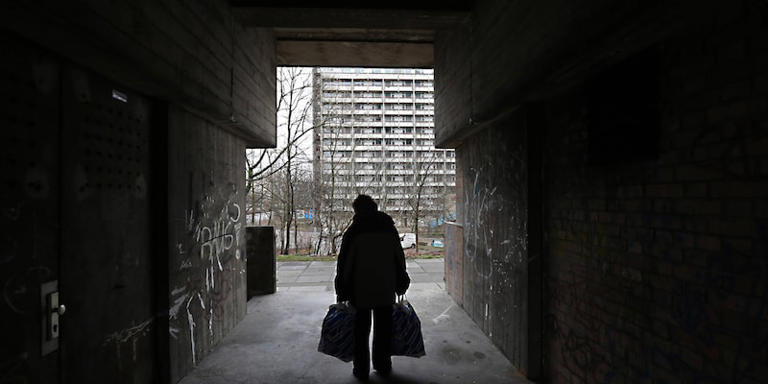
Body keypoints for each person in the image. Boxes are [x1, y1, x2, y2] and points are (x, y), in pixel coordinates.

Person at [335, 194, 410, 380]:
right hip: (385, 289)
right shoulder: (389, 229)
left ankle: (361, 370)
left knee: (360, 332)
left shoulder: (353, 232)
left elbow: (344, 264)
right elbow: (399, 259)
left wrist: (341, 289)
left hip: (359, 292)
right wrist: (401, 282)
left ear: (357, 211)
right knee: (383, 330)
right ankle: (383, 365)